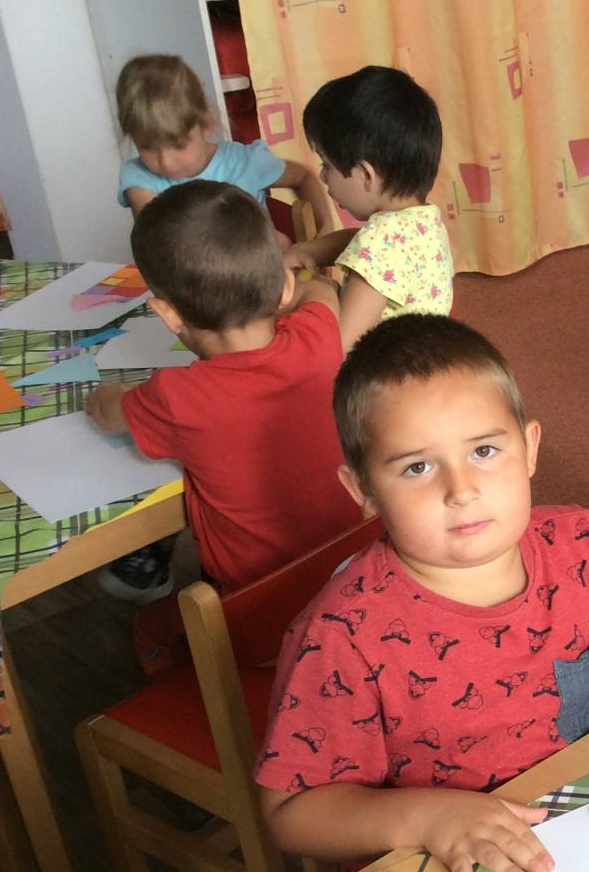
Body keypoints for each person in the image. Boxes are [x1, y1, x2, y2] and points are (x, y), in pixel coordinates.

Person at [254, 315, 589, 872]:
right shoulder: (339, 633)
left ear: (529, 448)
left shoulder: (587, 544)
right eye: (417, 467)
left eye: (484, 450)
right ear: (363, 490)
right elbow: (291, 811)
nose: (461, 490)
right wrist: (427, 816)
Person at [84, 182, 361, 659]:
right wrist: (295, 286)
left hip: (258, 626)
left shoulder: (175, 396)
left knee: (162, 618)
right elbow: (321, 291)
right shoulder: (317, 335)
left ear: (167, 314)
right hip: (355, 588)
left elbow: (110, 416)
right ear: (283, 288)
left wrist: (107, 396)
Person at [285, 66, 453, 346]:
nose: (323, 177)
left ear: (365, 175)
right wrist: (308, 251)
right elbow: (361, 241)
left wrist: (313, 292)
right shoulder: (422, 221)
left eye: (327, 165)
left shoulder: (380, 241)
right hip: (426, 355)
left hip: (382, 369)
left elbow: (341, 347)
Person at [114, 54, 334, 227]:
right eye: (147, 147)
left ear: (206, 124)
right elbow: (164, 246)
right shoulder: (140, 180)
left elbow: (303, 177)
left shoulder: (245, 162)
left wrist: (325, 228)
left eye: (179, 145)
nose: (166, 162)